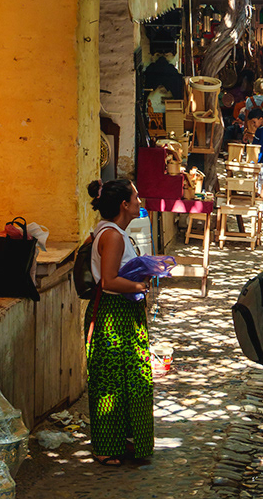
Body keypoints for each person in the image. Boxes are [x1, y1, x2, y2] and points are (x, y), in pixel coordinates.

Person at [85, 178, 153, 467]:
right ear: (124, 205)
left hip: (122, 313)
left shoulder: (110, 231)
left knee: (129, 377)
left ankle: (121, 438)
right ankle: (105, 446)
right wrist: (140, 286)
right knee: (110, 380)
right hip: (113, 314)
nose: (139, 202)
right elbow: (109, 280)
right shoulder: (112, 236)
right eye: (135, 198)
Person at [243, 107, 263, 209]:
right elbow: (255, 143)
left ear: (261, 119)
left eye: (254, 122)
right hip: (257, 160)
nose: (254, 125)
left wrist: (257, 160)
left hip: (262, 161)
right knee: (257, 183)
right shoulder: (259, 130)